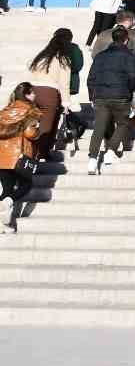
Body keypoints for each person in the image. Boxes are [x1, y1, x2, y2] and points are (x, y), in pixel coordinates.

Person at [85, 25, 135, 173]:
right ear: (126, 40)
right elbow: (134, 76)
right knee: (123, 123)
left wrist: (92, 96)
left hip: (101, 96)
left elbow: (91, 78)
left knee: (99, 128)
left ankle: (92, 159)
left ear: (112, 39)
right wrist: (129, 91)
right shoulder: (129, 56)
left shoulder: (100, 56)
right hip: (121, 95)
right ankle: (111, 150)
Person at [0, 85, 45, 231]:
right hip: (18, 157)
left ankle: (6, 225)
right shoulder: (31, 111)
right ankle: (9, 202)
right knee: (26, 184)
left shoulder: (5, 111)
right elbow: (30, 133)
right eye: (32, 93)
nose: (34, 96)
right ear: (26, 95)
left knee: (6, 189)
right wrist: (38, 130)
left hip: (2, 156)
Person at [26, 28, 76, 152]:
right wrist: (66, 103)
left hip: (32, 92)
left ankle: (30, 151)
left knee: (32, 125)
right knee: (46, 126)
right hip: (49, 94)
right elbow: (64, 83)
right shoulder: (63, 59)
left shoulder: (40, 57)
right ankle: (41, 153)